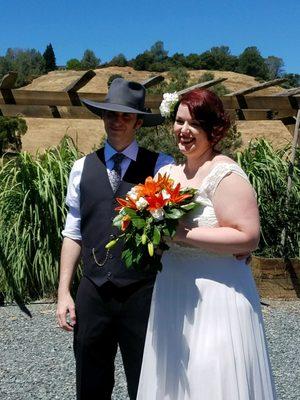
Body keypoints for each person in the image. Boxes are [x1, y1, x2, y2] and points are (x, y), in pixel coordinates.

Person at [137, 89, 277, 399]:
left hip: (217, 297)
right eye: (178, 121)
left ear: (213, 131)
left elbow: (248, 236)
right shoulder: (166, 174)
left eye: (194, 124)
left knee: (210, 378)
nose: (183, 131)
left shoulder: (225, 174)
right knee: (174, 379)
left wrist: (182, 233)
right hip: (173, 290)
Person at [56, 78, 174, 400]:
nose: (117, 121)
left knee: (147, 383)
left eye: (125, 116)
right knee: (90, 383)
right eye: (111, 114)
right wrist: (64, 291)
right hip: (93, 292)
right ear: (103, 117)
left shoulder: (163, 167)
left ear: (138, 121)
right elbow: (73, 232)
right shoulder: (81, 168)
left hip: (143, 294)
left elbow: (180, 227)